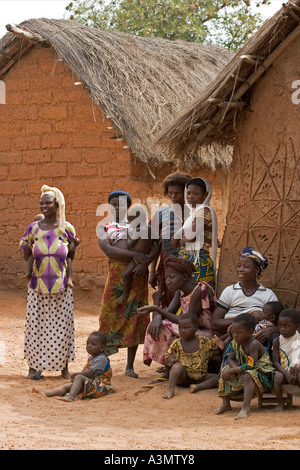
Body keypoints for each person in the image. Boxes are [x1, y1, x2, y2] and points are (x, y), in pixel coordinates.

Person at [20, 185, 78, 380]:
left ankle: (64, 368)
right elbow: (25, 251)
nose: (44, 205)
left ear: (57, 204)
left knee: (63, 327)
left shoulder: (66, 228)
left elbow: (71, 255)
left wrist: (68, 276)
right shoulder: (33, 228)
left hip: (61, 287)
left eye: (48, 202)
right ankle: (34, 367)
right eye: (41, 202)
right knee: (37, 327)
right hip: (37, 286)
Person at [97, 190, 154, 378]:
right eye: (113, 203)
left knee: (134, 316)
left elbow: (153, 245)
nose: (116, 206)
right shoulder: (104, 227)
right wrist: (134, 255)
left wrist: (143, 262)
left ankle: (130, 366)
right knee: (109, 314)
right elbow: (108, 250)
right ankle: (103, 363)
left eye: (121, 203)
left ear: (128, 206)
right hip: (115, 274)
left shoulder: (138, 224)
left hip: (137, 273)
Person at [139, 255, 216, 379]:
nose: (168, 281)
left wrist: (156, 309)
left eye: (172, 277)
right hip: (190, 330)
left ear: (184, 276)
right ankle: (171, 364)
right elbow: (168, 313)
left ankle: (170, 369)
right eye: (167, 277)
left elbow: (188, 322)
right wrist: (158, 317)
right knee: (159, 324)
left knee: (165, 326)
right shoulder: (181, 291)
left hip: (207, 334)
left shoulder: (199, 291)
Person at [211, 247, 278, 346]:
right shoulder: (230, 291)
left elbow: (279, 324)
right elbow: (215, 324)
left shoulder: (268, 295)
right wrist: (246, 320)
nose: (240, 270)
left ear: (256, 269)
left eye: (246, 266)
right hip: (233, 334)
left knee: (274, 338)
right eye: (239, 266)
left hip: (256, 338)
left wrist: (270, 331)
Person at [215, 313, 275, 420]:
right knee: (225, 370)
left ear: (250, 332)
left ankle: (245, 408)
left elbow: (251, 366)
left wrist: (235, 370)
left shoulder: (253, 344)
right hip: (243, 370)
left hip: (262, 373)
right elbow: (230, 359)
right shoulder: (236, 343)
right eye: (233, 332)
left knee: (248, 375)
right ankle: (226, 403)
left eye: (239, 332)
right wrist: (234, 370)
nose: (235, 335)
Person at [149, 170, 192, 308]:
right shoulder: (161, 214)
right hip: (166, 271)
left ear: (186, 193)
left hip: (190, 269)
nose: (173, 196)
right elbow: (155, 245)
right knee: (166, 306)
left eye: (177, 193)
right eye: (170, 192)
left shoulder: (196, 214)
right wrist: (152, 272)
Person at [32, 331, 115, 402]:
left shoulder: (101, 359)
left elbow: (90, 373)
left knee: (79, 377)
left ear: (102, 347)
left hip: (100, 386)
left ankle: (70, 397)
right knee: (68, 387)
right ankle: (47, 394)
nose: (89, 346)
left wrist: (76, 375)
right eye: (87, 343)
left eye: (93, 344)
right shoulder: (92, 357)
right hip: (92, 383)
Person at [171, 177, 218, 289]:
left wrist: (180, 237)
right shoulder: (193, 213)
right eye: (188, 193)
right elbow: (173, 243)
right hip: (187, 260)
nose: (190, 196)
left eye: (196, 193)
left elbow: (189, 238)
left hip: (197, 261)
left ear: (205, 195)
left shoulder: (204, 210)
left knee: (196, 298)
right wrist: (182, 236)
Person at [162, 313, 220, 399]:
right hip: (183, 378)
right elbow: (168, 355)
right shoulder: (177, 343)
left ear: (196, 328)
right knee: (177, 367)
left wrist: (227, 336)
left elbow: (218, 346)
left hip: (201, 376)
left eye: (186, 328)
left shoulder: (204, 341)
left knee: (217, 378)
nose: (182, 331)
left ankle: (198, 387)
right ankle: (171, 389)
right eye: (180, 328)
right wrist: (171, 360)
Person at [21, 213, 80, 288]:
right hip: (40, 273)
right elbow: (25, 255)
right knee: (33, 257)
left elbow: (71, 254)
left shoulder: (62, 232)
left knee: (68, 260)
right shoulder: (32, 235)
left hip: (59, 275)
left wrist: (75, 243)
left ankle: (69, 279)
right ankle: (29, 274)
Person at [114, 204, 158, 305]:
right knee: (137, 280)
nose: (129, 223)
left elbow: (130, 244)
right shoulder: (150, 228)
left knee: (125, 275)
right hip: (145, 257)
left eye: (131, 221)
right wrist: (148, 259)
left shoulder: (138, 230)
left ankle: (125, 294)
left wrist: (128, 236)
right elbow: (156, 244)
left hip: (137, 258)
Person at [272, 309, 300, 411]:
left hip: (297, 371)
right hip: (283, 372)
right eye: (280, 325)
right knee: (277, 376)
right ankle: (280, 403)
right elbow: (275, 362)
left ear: (297, 326)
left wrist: (297, 370)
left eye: (286, 326)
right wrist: (286, 373)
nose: (282, 329)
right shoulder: (277, 341)